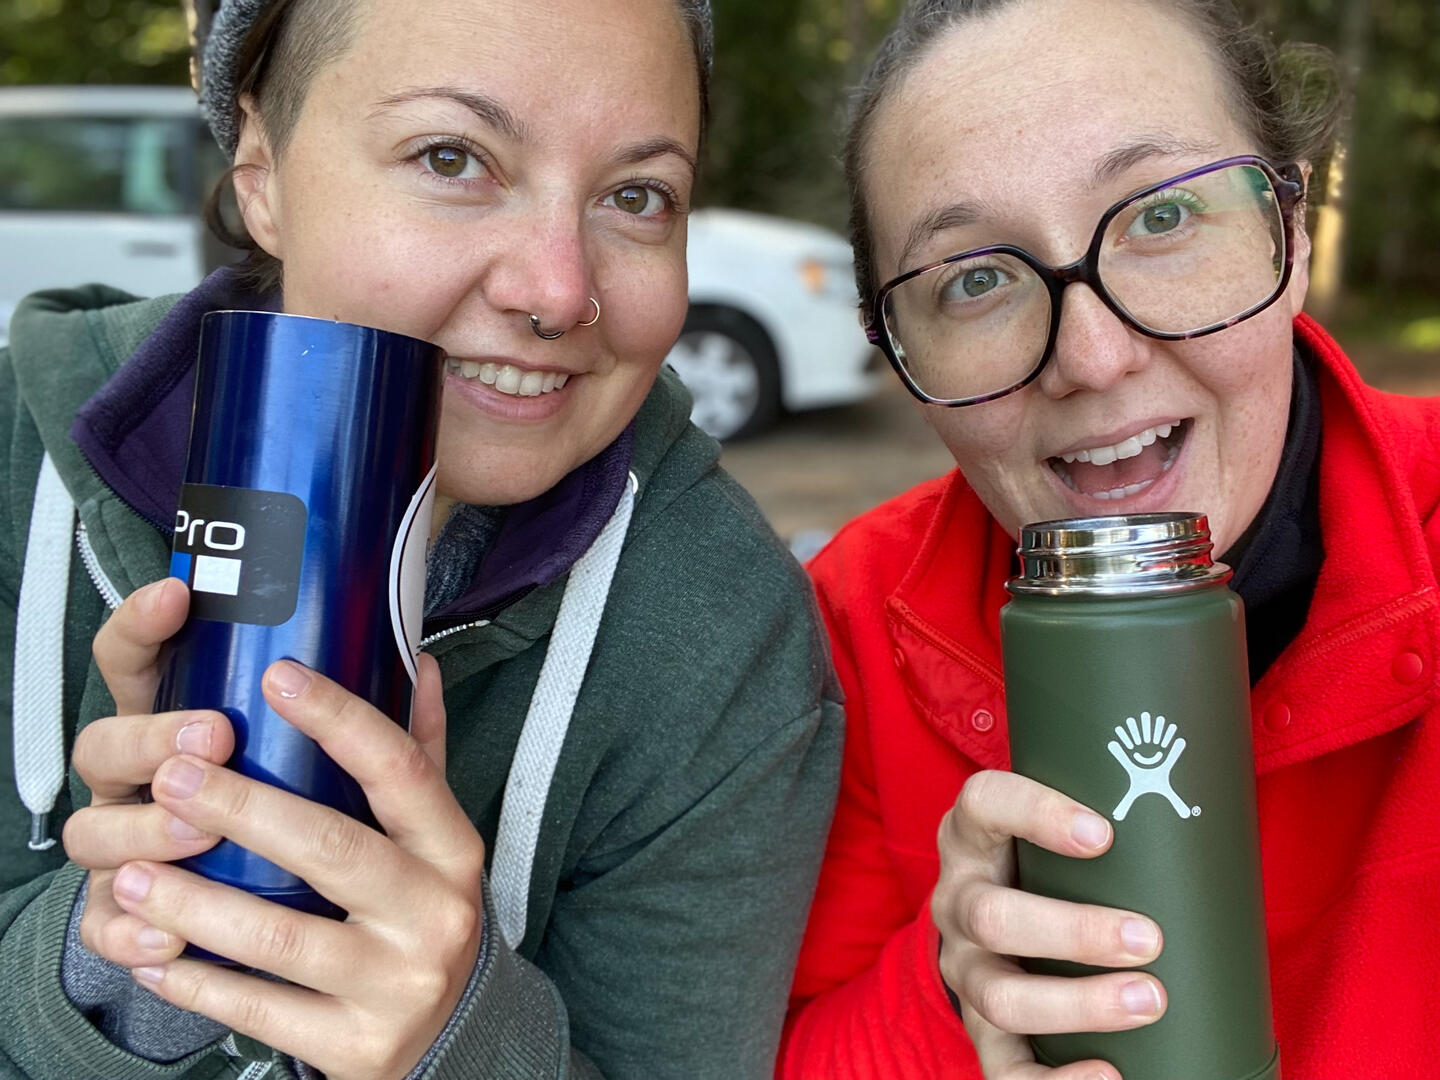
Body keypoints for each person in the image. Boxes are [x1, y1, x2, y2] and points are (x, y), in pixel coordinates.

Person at [0, 1, 843, 1077]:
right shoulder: (18, 470)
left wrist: (457, 1040)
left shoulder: (721, 629)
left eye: (637, 195)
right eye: (452, 157)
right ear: (261, 171)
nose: (558, 293)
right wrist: (129, 945)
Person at [780, 1, 1439, 1078]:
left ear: (1291, 231)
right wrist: (956, 993)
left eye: (1163, 217)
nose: (1090, 358)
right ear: (895, 350)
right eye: (976, 279)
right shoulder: (843, 627)